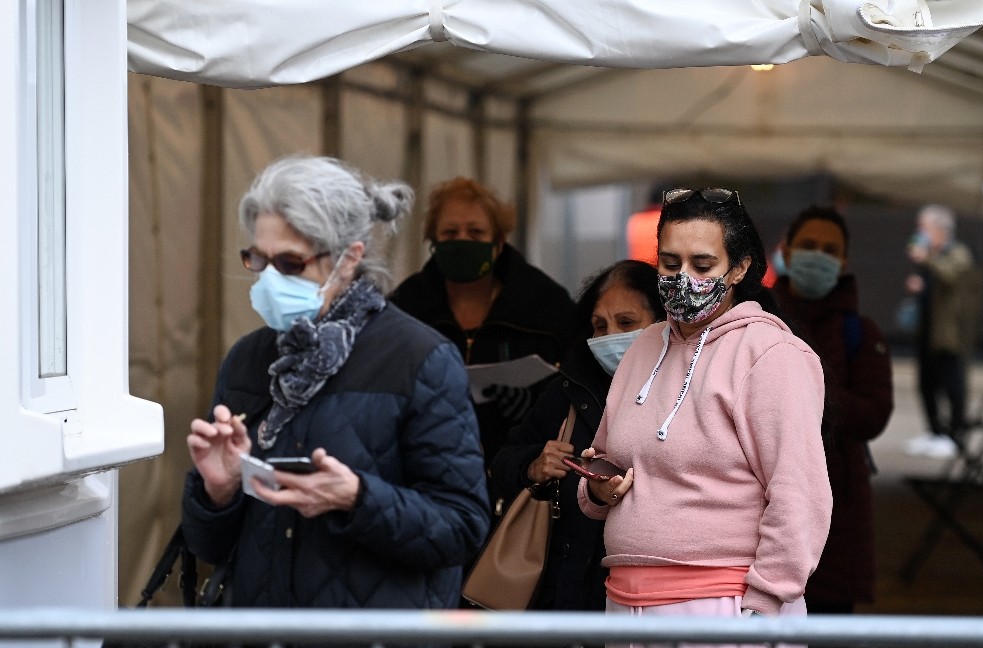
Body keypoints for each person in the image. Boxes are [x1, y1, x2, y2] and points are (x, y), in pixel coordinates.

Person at [181, 155, 491, 612]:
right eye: (258, 259)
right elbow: (207, 545)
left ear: (350, 259)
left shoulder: (418, 358)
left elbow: (462, 527)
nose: (269, 278)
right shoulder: (248, 359)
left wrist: (358, 499)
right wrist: (218, 492)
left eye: (290, 262)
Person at [577, 188, 832, 635]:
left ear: (740, 268)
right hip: (625, 600)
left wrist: (766, 601)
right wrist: (598, 489)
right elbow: (605, 458)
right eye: (670, 263)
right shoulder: (643, 348)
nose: (683, 278)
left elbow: (800, 493)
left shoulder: (771, 354)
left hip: (726, 606)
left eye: (702, 265)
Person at [490, 259, 663, 612]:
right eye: (600, 326)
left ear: (663, 321)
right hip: (569, 595)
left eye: (626, 323)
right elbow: (503, 461)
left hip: (654, 597)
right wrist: (533, 466)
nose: (610, 336)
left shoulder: (687, 392)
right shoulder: (569, 391)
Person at [390, 177, 576, 478]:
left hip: (517, 474)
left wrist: (532, 405)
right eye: (450, 232)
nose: (462, 241)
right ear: (434, 242)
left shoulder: (545, 304)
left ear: (498, 243)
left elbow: (573, 387)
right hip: (426, 470)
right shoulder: (406, 306)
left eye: (476, 232)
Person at [772, 205, 894, 615]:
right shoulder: (757, 322)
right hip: (762, 497)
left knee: (828, 619)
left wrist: (811, 386)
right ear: (786, 253)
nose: (817, 256)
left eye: (829, 250)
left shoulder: (861, 333)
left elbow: (874, 415)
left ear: (843, 262)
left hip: (838, 512)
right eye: (808, 245)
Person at [903, 204, 981, 459]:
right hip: (927, 330)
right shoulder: (931, 256)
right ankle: (935, 431)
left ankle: (955, 436)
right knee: (926, 383)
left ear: (940, 229)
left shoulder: (958, 253)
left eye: (924, 227)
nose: (920, 232)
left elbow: (949, 275)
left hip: (950, 333)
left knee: (953, 383)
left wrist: (927, 258)